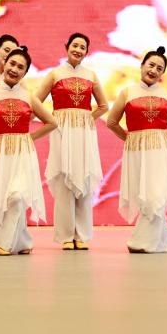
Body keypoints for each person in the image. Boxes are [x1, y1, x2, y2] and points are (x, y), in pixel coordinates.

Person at [0, 47, 57, 255]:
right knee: (3, 199)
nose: (14, 69)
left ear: (25, 73)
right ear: (4, 64)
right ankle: (23, 241)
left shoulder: (29, 97)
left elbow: (51, 122)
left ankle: (0, 243)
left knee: (17, 196)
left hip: (22, 155)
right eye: (12, 64)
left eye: (20, 67)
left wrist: (30, 138)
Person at [106, 47, 167, 253]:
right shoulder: (127, 92)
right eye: (151, 65)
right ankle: (163, 240)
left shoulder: (166, 94)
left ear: (162, 74)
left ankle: (142, 242)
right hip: (136, 151)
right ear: (142, 66)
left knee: (155, 194)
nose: (154, 70)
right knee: (143, 194)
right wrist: (129, 139)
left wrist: (164, 139)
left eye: (159, 68)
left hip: (160, 152)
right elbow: (112, 122)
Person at [36, 33, 108, 250]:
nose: (78, 50)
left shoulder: (91, 75)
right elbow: (35, 102)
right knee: (64, 180)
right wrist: (54, 119)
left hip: (84, 133)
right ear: (67, 47)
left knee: (83, 179)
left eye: (82, 47)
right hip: (61, 131)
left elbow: (104, 106)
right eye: (75, 45)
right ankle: (66, 235)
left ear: (87, 52)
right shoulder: (54, 74)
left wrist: (86, 119)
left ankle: (82, 235)